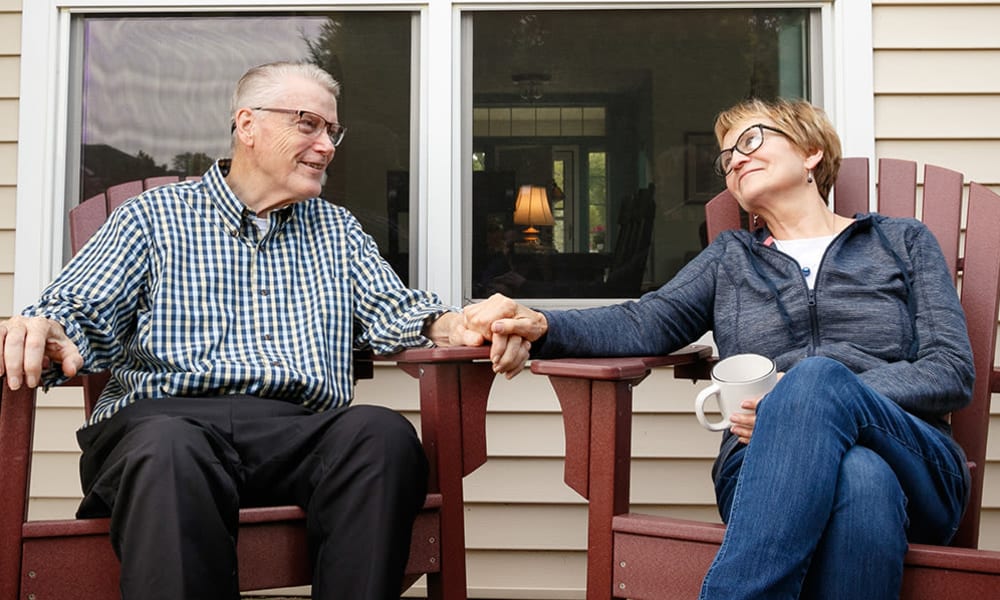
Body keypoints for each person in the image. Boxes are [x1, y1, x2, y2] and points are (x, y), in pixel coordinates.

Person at [0, 61, 487, 600]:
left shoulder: (337, 231)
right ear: (247, 125)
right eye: (308, 124)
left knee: (381, 435)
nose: (326, 146)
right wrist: (49, 329)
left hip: (297, 432)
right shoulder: (153, 217)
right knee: (169, 448)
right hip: (162, 428)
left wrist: (452, 324)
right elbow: (80, 308)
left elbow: (394, 310)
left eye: (332, 131)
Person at [464, 98, 973, 599]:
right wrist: (541, 323)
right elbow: (647, 320)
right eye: (727, 157)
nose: (736, 160)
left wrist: (805, 401)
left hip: (919, 463)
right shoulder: (731, 260)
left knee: (817, 379)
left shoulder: (901, 241)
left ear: (811, 151)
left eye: (751, 140)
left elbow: (950, 369)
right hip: (762, 468)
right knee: (862, 482)